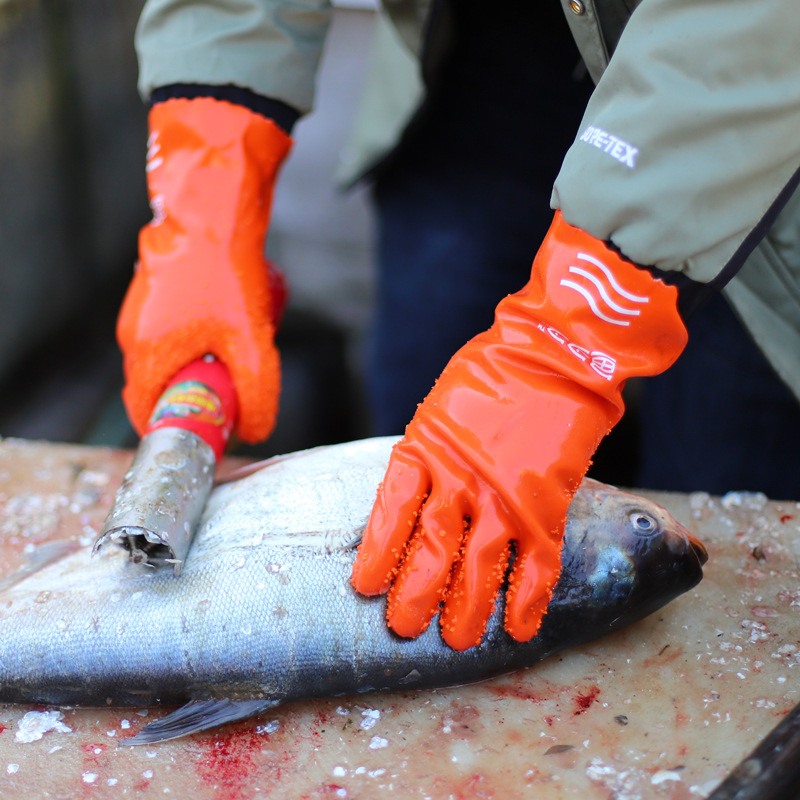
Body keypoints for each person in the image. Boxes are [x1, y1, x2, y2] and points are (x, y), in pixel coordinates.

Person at [120, 0, 800, 651]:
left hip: (763, 135)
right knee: (417, 482)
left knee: (737, 533)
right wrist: (202, 203)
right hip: (472, 65)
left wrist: (567, 343)